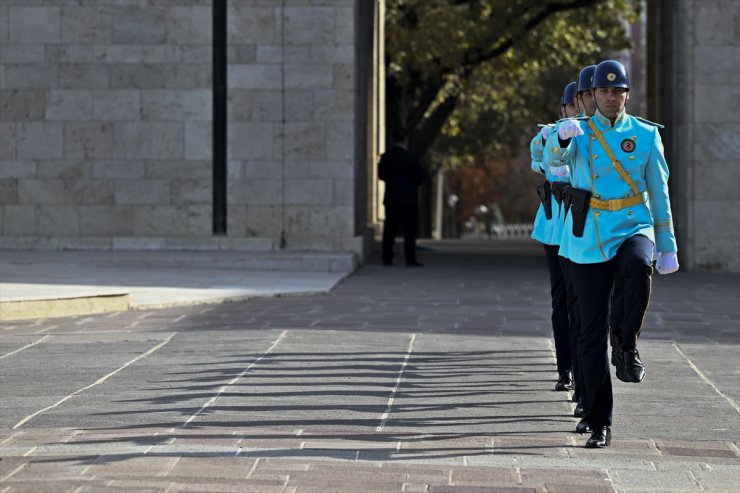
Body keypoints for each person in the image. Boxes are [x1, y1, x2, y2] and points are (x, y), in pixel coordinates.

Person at [549, 59, 679, 448]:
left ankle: (626, 342)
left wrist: (667, 244)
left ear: (626, 94)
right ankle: (598, 417)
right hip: (589, 235)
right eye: (602, 91)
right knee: (589, 330)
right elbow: (554, 169)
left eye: (616, 90)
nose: (609, 97)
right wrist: (562, 141)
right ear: (594, 95)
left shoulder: (644, 134)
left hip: (632, 224)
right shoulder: (577, 132)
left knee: (639, 265)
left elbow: (659, 191)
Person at [530, 82, 578, 394]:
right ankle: (566, 368)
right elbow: (540, 159)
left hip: (586, 224)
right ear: (563, 109)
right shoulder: (554, 133)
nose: (578, 107)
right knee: (561, 298)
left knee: (585, 301)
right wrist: (551, 137)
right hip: (555, 225)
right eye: (572, 103)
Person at [379, 128, 426, 267]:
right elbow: (421, 177)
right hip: (409, 199)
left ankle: (387, 258)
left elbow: (381, 175)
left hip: (392, 198)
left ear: (394, 140)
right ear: (405, 140)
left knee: (390, 229)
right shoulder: (412, 158)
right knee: (409, 230)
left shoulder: (386, 157)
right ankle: (410, 259)